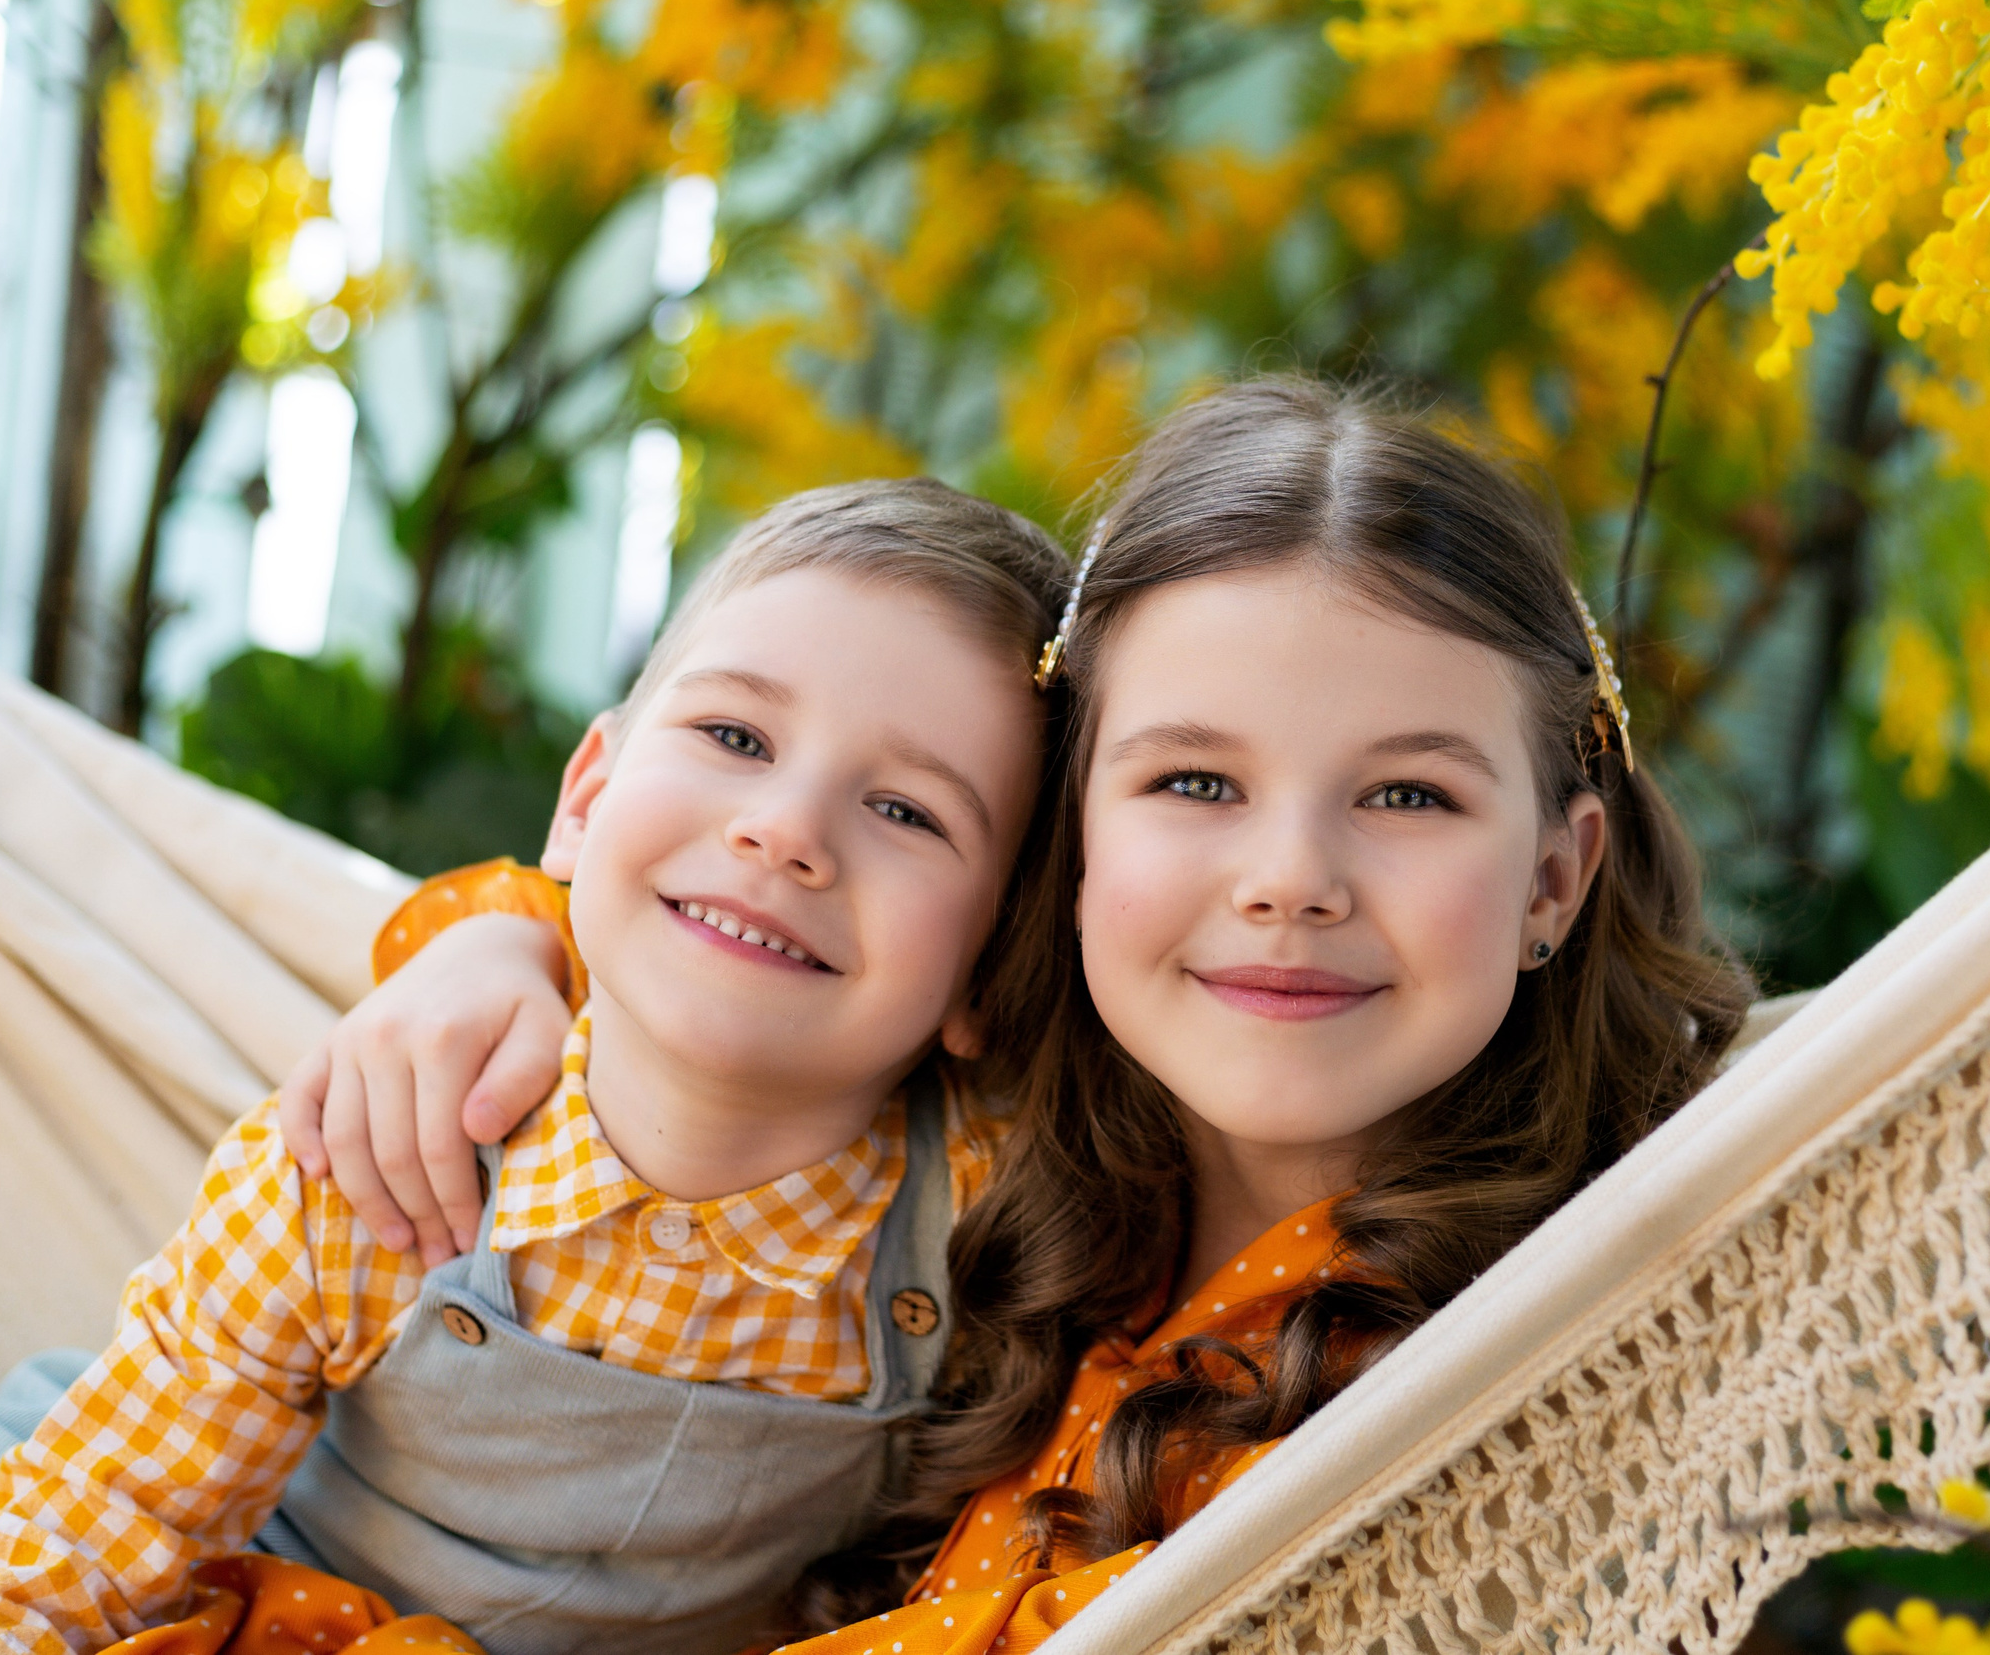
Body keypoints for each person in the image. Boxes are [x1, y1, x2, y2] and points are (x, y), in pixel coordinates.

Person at [283, 379, 1756, 1653]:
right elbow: (698, 955)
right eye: (1194, 781)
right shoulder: (987, 1133)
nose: (1291, 879)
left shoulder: (1509, 1350)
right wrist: (497, 939)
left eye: (1409, 794)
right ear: (1062, 844)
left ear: (1555, 877)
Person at [0, 479, 1069, 1655]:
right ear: (583, 803)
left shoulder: (989, 1224)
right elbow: (81, 1542)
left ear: (987, 971)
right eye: (734, 735)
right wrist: (502, 929)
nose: (786, 830)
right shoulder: (387, 1149)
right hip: (122, 1533)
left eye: (908, 811)